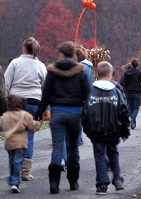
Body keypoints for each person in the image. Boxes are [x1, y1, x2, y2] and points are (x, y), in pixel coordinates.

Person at [35, 41, 90, 194]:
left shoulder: (52, 71)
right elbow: (87, 94)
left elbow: (45, 94)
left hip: (57, 113)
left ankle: (54, 181)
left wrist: (39, 112)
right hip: (75, 114)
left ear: (60, 53)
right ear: (73, 53)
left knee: (58, 146)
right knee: (73, 147)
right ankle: (73, 181)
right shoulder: (81, 71)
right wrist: (87, 112)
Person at [81, 61, 130, 195]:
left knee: (99, 156)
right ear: (110, 74)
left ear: (97, 73)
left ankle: (102, 184)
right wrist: (125, 131)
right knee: (113, 153)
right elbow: (124, 111)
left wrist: (87, 130)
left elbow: (85, 112)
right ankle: (117, 178)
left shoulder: (91, 91)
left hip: (96, 131)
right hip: (114, 130)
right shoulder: (116, 91)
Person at [4, 36, 47, 181]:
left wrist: (5, 103)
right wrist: (44, 108)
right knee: (29, 136)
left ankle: (14, 167)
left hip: (16, 101)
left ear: (24, 48)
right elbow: (45, 87)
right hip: (34, 102)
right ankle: (25, 171)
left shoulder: (15, 63)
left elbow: (6, 83)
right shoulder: (40, 65)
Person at [0, 94, 42, 193]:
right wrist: (39, 123)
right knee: (18, 161)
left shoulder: (5, 116)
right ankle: (15, 182)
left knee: (12, 162)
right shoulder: (25, 115)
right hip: (21, 144)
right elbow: (33, 127)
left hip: (9, 144)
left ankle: (13, 178)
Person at [122, 58, 141, 130]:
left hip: (129, 92)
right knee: (136, 107)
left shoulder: (126, 73)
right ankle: (133, 119)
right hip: (137, 92)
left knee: (129, 105)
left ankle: (130, 117)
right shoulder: (139, 73)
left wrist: (126, 89)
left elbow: (124, 83)